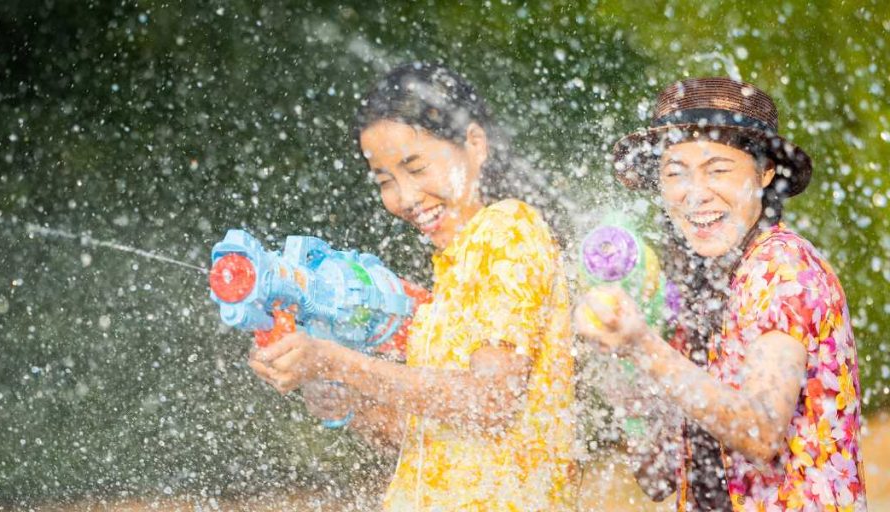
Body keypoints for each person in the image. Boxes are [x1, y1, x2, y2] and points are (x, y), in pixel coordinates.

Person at [249, 62, 574, 510]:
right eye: (386, 181)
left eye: (416, 167)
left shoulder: (508, 230)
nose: (405, 197)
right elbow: (434, 435)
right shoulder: (455, 264)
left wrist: (335, 360)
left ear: (475, 144)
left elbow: (491, 402)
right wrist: (347, 403)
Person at [576, 77, 866, 511]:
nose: (695, 194)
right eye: (675, 173)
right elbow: (657, 476)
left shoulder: (781, 267)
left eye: (718, 170)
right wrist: (621, 373)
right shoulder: (706, 290)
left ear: (765, 172)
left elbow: (761, 432)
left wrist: (643, 346)